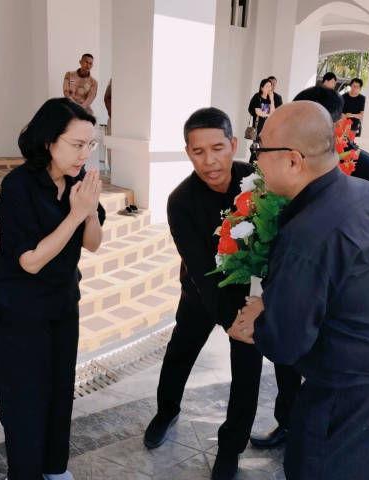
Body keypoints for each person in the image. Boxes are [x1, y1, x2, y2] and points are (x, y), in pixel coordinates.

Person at [232, 101, 369, 480]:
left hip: (347, 402)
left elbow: (284, 344)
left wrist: (260, 318)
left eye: (259, 148)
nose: (255, 160)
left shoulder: (307, 235)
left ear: (293, 160)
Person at [250, 85, 369, 451]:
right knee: (288, 363)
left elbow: (366, 234)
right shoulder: (285, 167)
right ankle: (286, 421)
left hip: (338, 305)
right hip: (298, 283)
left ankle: (310, 434)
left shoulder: (364, 169)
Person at [0, 98, 105, 480]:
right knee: (24, 399)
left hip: (62, 302)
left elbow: (92, 243)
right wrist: (75, 213)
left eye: (90, 145)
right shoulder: (18, 186)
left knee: (59, 389)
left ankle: (55, 468)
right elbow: (31, 261)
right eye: (77, 144)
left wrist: (89, 212)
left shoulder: (78, 182)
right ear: (48, 141)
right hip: (19, 309)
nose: (85, 154)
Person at [143, 108, 263, 480]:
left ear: (233, 144)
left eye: (217, 148)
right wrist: (229, 322)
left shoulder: (257, 182)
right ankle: (166, 411)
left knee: (248, 371)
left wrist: (255, 308)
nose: (209, 161)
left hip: (249, 295)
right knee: (180, 352)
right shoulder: (180, 200)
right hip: (201, 292)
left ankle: (231, 447)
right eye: (198, 151)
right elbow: (198, 268)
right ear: (188, 152)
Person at [104, 78, 112, 167]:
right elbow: (106, 96)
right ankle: (112, 170)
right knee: (111, 146)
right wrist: (111, 112)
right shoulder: (115, 78)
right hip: (114, 119)